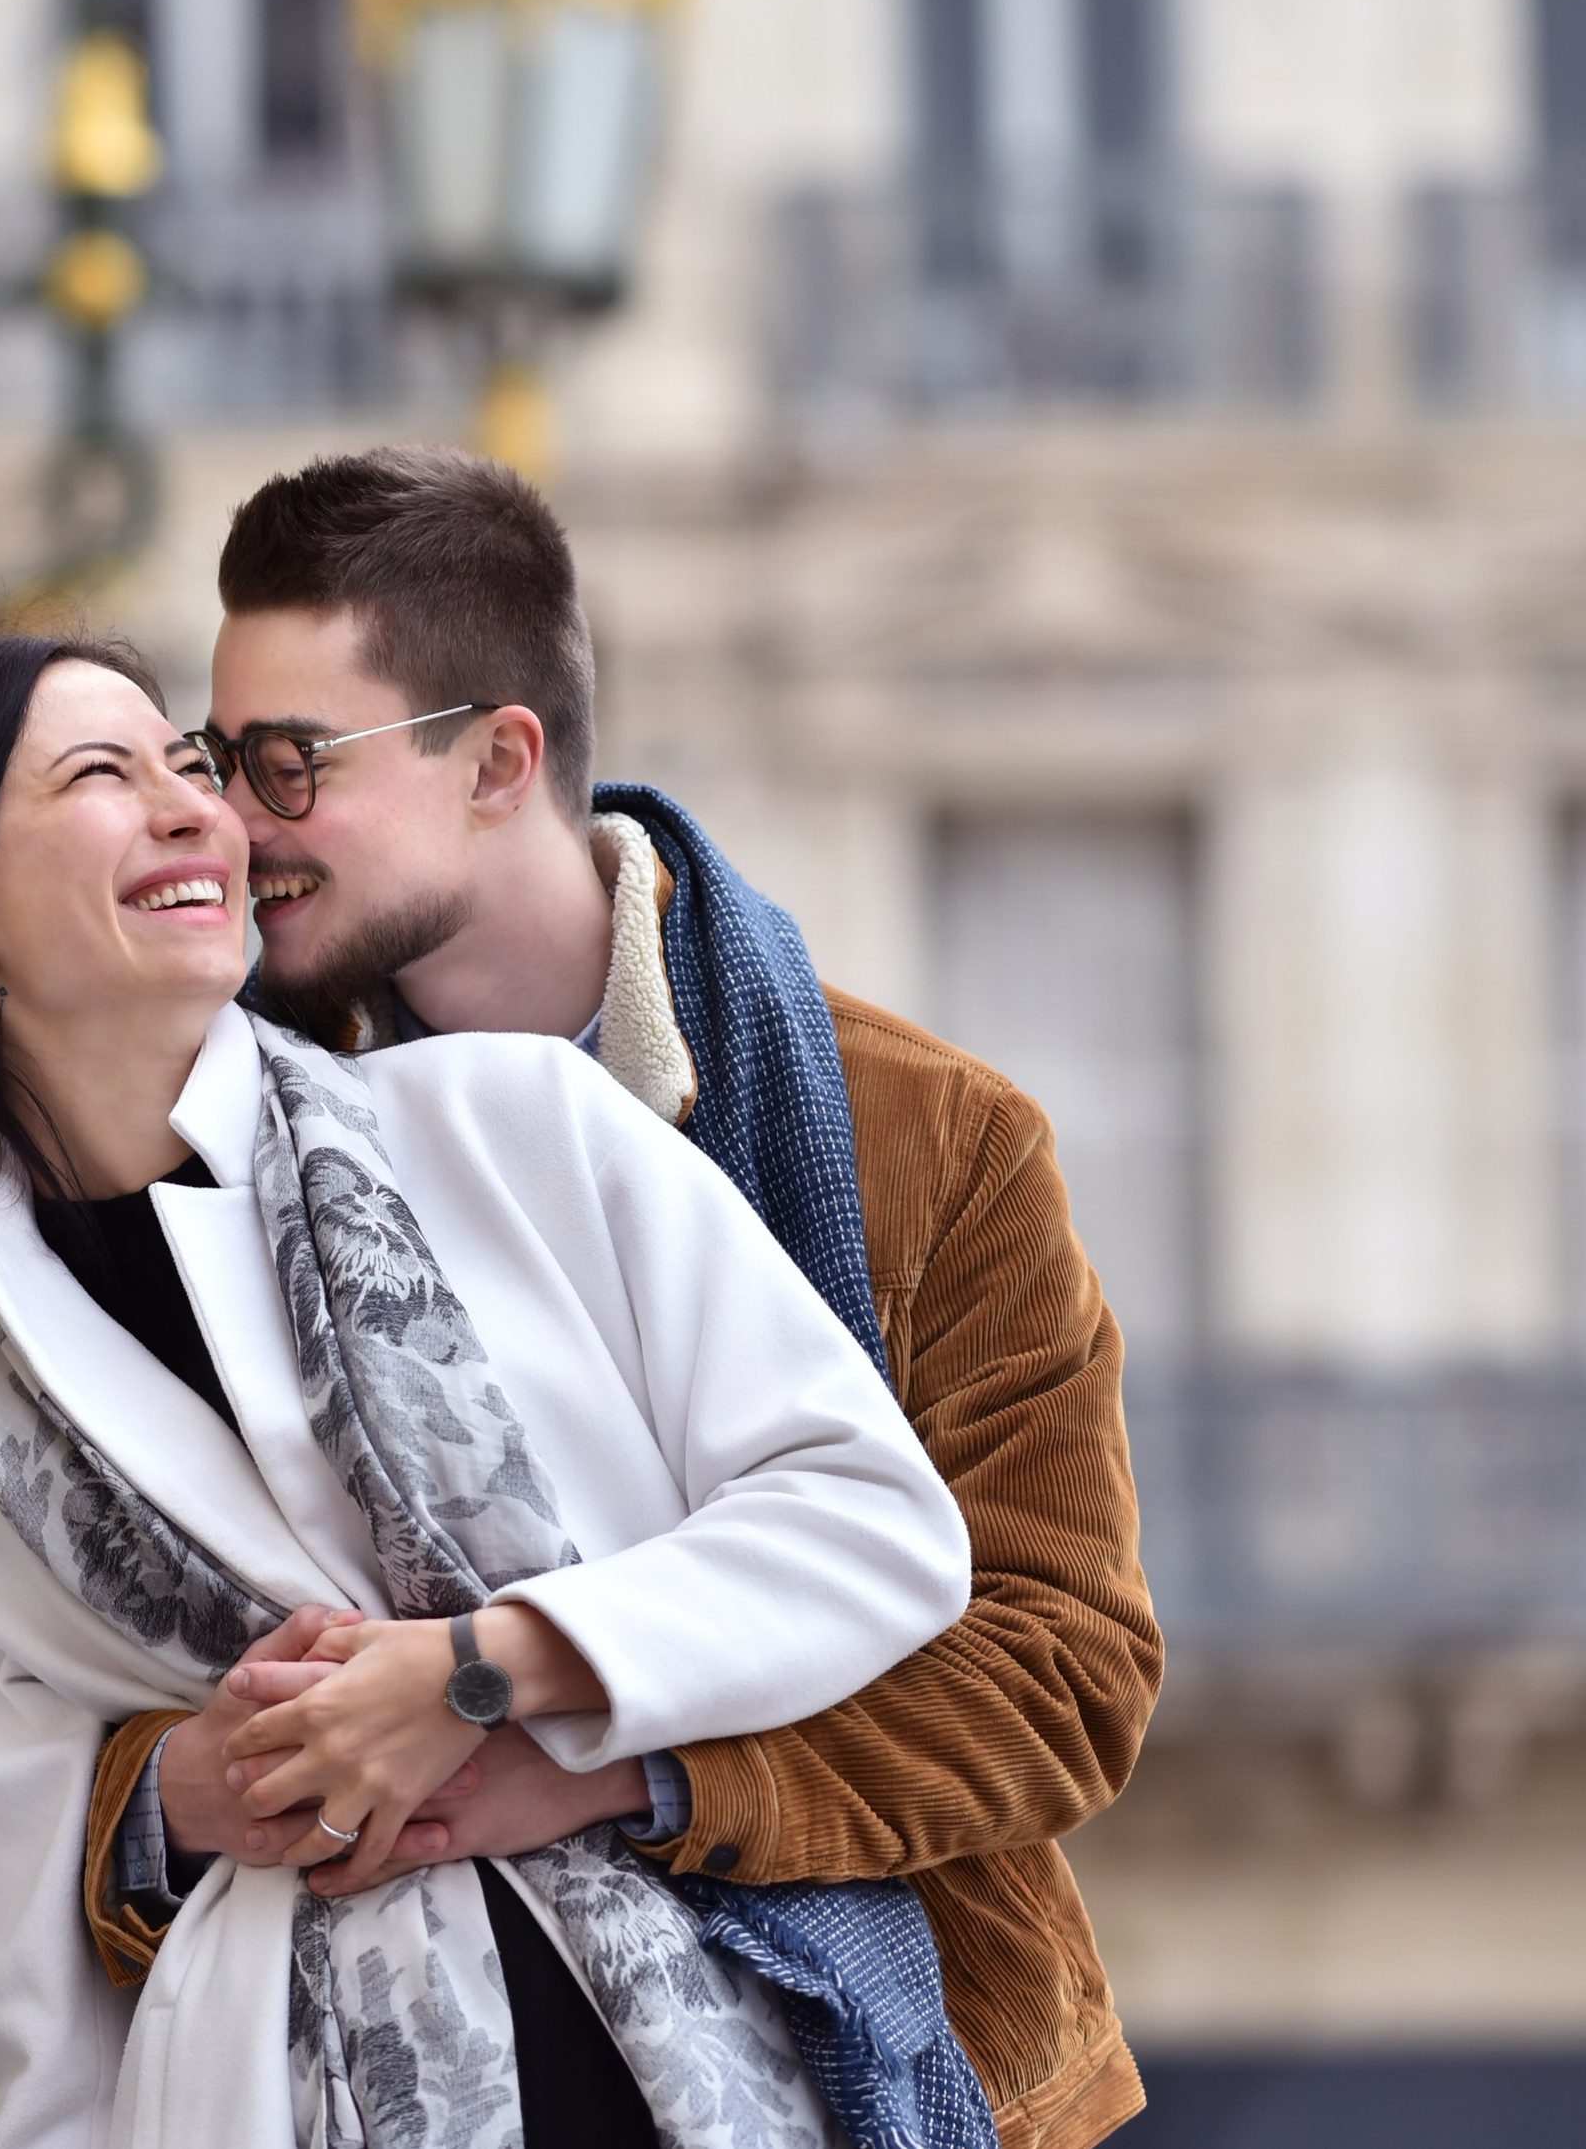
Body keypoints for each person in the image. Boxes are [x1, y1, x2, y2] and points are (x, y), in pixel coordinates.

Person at [0, 632, 978, 2149]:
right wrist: (171, 1798)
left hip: (705, 2070)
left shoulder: (515, 1124)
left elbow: (873, 1521)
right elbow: (39, 2021)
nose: (198, 808)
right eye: (99, 776)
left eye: (187, 764)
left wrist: (480, 1664)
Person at [79, 452, 1164, 2149]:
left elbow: (1058, 1669)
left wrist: (607, 1759)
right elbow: (100, 1674)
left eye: (289, 763)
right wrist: (199, 1778)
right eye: (222, 763)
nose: (238, 822)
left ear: (499, 759)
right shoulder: (207, 1162)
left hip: (905, 2062)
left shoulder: (933, 1138)